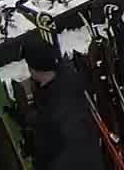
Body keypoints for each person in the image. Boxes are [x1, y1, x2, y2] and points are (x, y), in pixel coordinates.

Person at [20, 38, 105, 170]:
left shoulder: (58, 106)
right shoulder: (64, 80)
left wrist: (38, 152)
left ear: (34, 68)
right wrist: (27, 120)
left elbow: (64, 148)